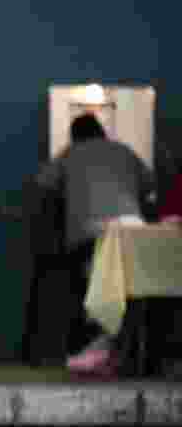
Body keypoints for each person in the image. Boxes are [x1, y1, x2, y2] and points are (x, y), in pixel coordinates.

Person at [35, 113, 155, 371]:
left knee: (92, 296)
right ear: (102, 131)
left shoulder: (71, 153)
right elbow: (150, 184)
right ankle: (132, 356)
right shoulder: (124, 150)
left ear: (74, 136)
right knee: (134, 295)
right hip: (133, 232)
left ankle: (92, 356)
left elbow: (43, 182)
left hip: (90, 235)